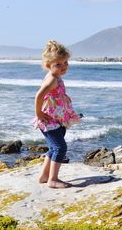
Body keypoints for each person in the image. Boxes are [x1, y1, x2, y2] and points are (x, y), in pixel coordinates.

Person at [33, 40, 81, 188]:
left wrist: (64, 98)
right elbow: (39, 96)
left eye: (65, 62)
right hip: (49, 121)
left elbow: (53, 96)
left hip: (57, 119)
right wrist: (39, 113)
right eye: (58, 64)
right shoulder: (52, 79)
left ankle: (44, 176)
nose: (64, 66)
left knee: (54, 148)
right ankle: (53, 180)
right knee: (60, 148)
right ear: (48, 65)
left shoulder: (55, 77)